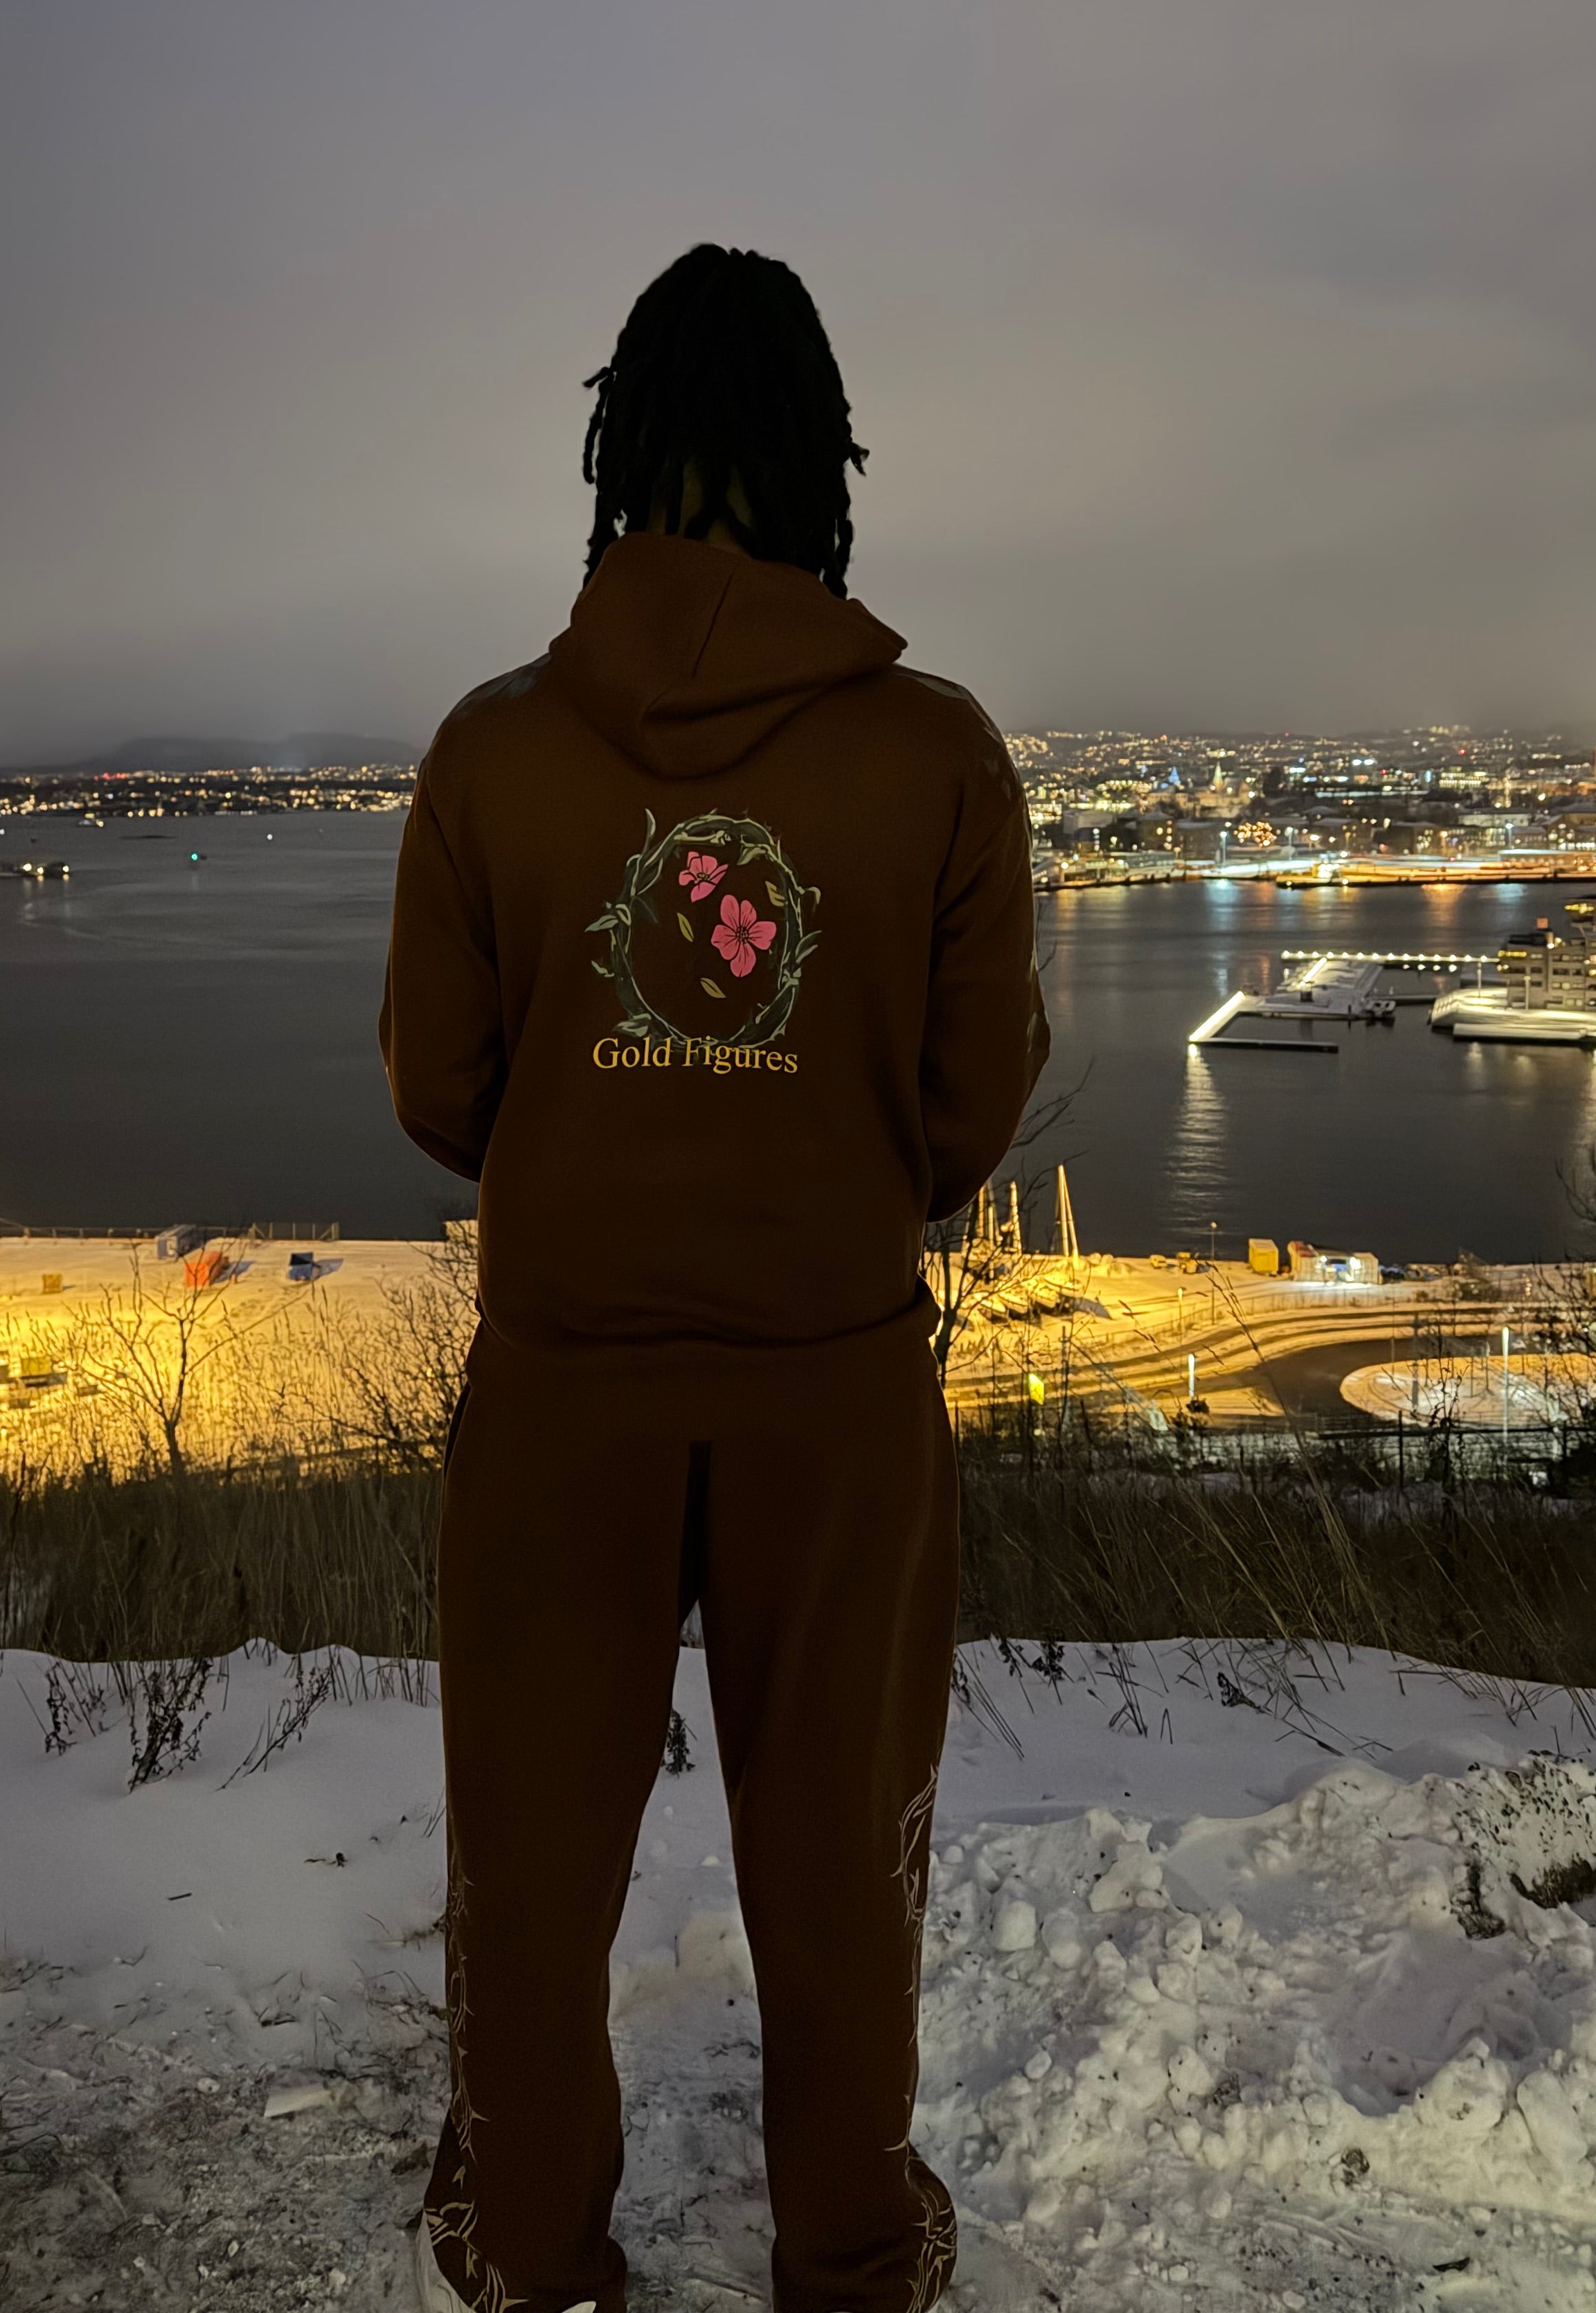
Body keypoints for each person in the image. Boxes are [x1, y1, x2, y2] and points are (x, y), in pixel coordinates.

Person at [381, 242, 1049, 2313]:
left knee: (534, 1863)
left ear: (621, 453)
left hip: (566, 1383)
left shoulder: (492, 751)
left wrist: (605, 1131)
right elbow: (963, 1122)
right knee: (842, 1860)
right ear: (820, 460)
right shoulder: (940, 757)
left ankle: (526, 2237)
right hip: (833, 1396)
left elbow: (438, 1089)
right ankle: (849, 2248)